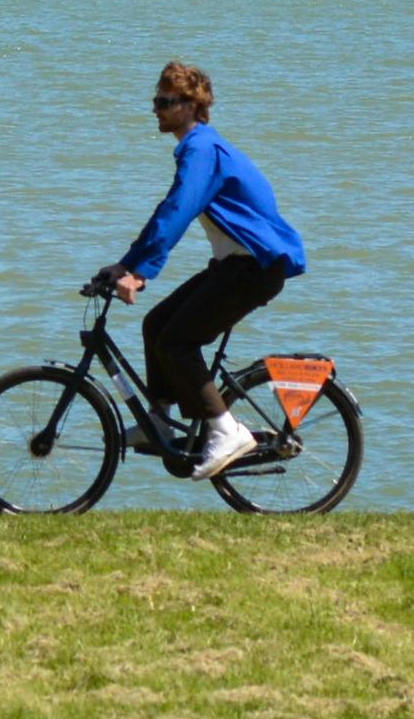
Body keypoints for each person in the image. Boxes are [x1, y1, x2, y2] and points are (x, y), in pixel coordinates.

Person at [98, 60, 306, 478]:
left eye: (164, 101)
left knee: (176, 342)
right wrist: (127, 263)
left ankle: (225, 429)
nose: (155, 108)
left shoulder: (202, 150)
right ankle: (159, 419)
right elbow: (167, 212)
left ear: (191, 107)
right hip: (233, 267)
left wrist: (140, 274)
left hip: (252, 269)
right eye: (154, 100)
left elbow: (178, 212)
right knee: (157, 325)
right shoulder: (198, 149)